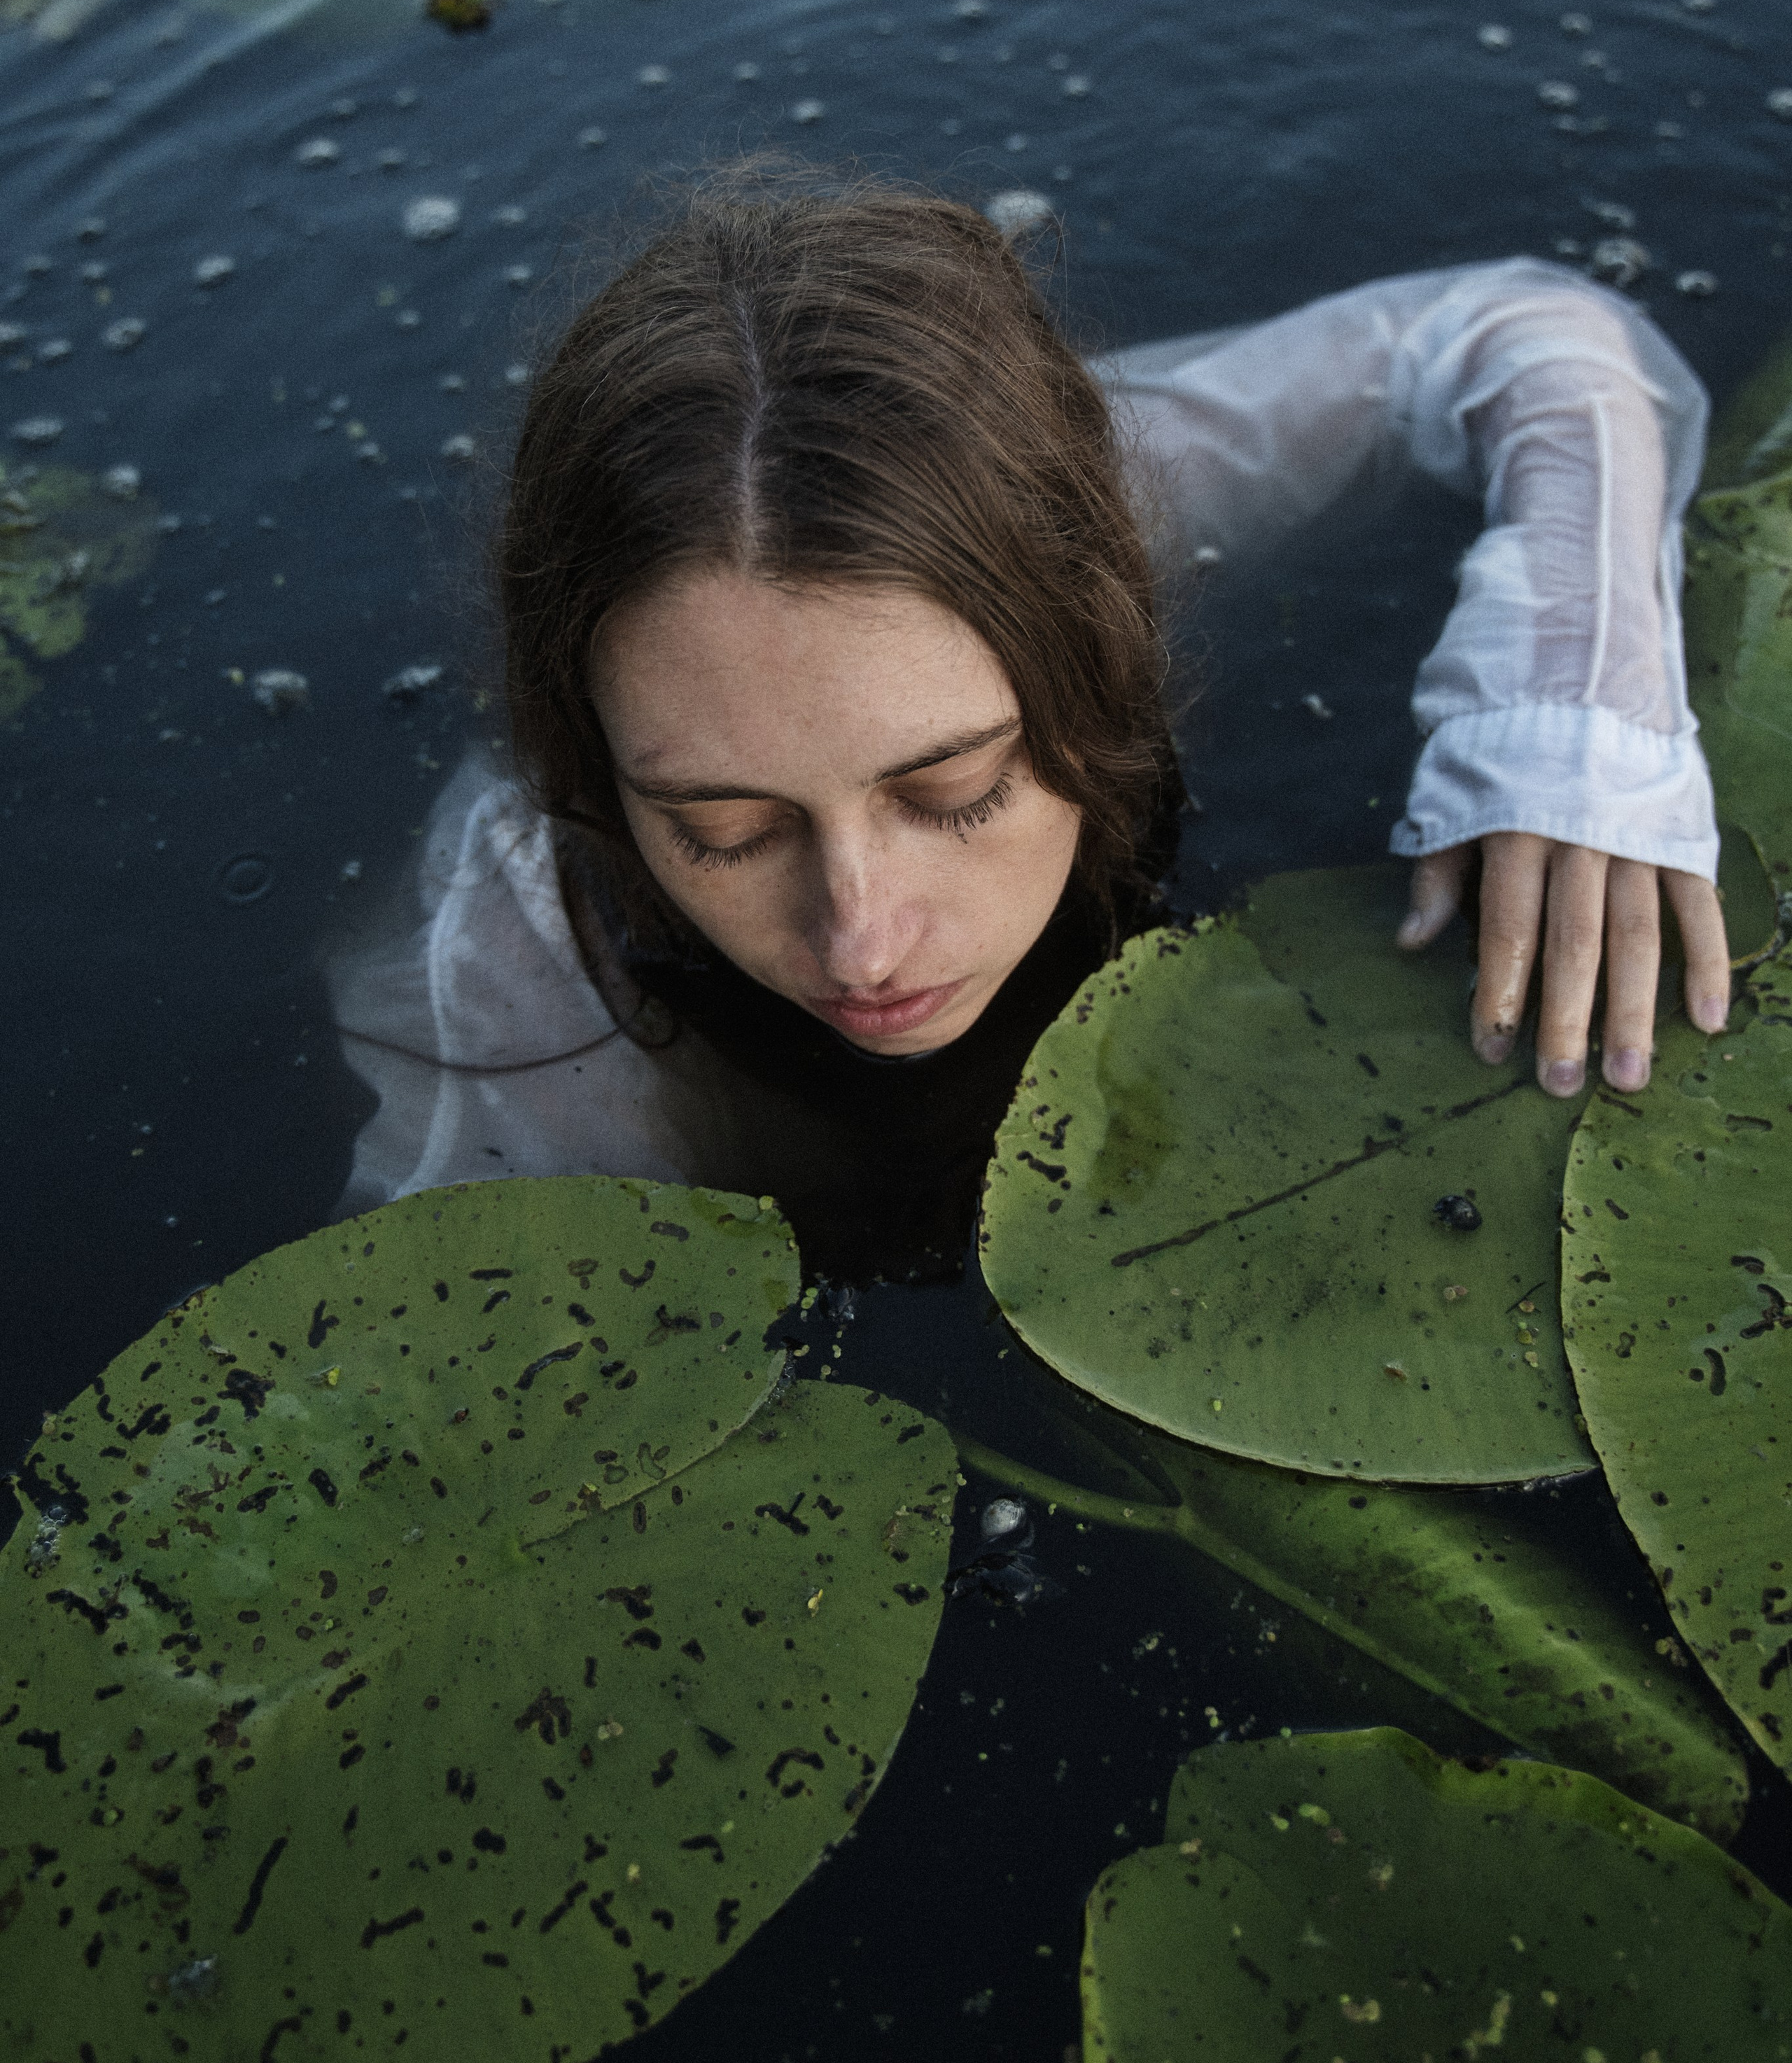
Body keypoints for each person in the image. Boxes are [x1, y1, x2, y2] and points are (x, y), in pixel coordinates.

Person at [330, 169, 1730, 1280]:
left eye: (955, 790)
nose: (860, 943)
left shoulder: (1093, 504)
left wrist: (1571, 714)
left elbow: (1516, 336)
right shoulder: (504, 992)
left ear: (1092, 618)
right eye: (725, 830)